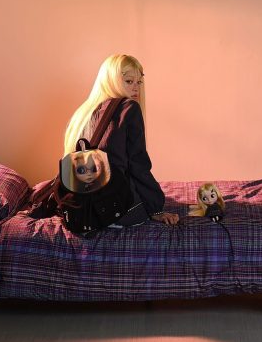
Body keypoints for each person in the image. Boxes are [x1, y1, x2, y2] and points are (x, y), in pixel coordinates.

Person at [63, 54, 178, 226]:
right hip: (115, 207)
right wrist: (156, 208)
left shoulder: (83, 112)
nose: (136, 88)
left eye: (139, 82)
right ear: (111, 80)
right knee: (142, 205)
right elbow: (138, 164)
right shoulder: (129, 108)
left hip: (83, 204)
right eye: (129, 81)